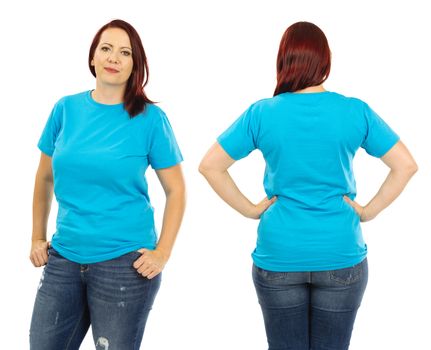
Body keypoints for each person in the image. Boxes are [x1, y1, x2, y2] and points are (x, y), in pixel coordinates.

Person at [199, 21, 417, 350]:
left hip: (279, 254)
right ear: (326, 62)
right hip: (340, 254)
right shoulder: (354, 110)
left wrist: (251, 209)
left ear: (283, 62)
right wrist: (367, 212)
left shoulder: (262, 113)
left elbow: (210, 165)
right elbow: (405, 165)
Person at [29, 19, 185, 349]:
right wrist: (37, 237)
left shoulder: (150, 119)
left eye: (125, 52)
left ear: (135, 64)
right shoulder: (65, 109)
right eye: (106, 48)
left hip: (125, 264)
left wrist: (163, 252)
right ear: (92, 58)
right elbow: (44, 178)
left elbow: (177, 190)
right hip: (64, 257)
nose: (114, 58)